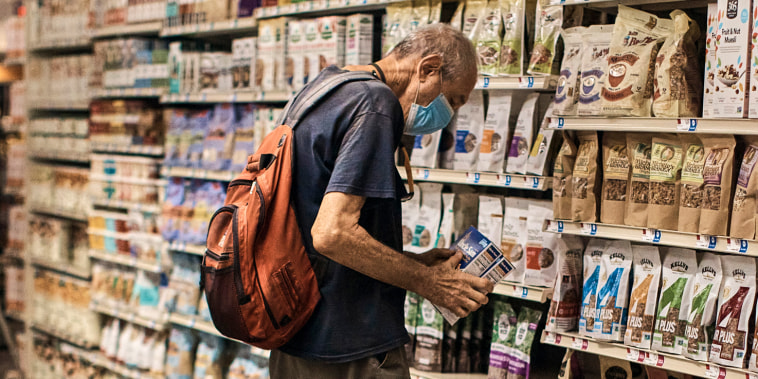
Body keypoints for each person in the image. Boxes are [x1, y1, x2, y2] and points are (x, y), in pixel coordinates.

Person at [269, 23, 494, 379]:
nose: (449, 114)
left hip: (298, 335)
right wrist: (426, 280)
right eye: (452, 99)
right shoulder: (376, 103)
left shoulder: (328, 86)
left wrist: (410, 261)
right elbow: (332, 234)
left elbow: (315, 222)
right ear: (428, 68)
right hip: (348, 346)